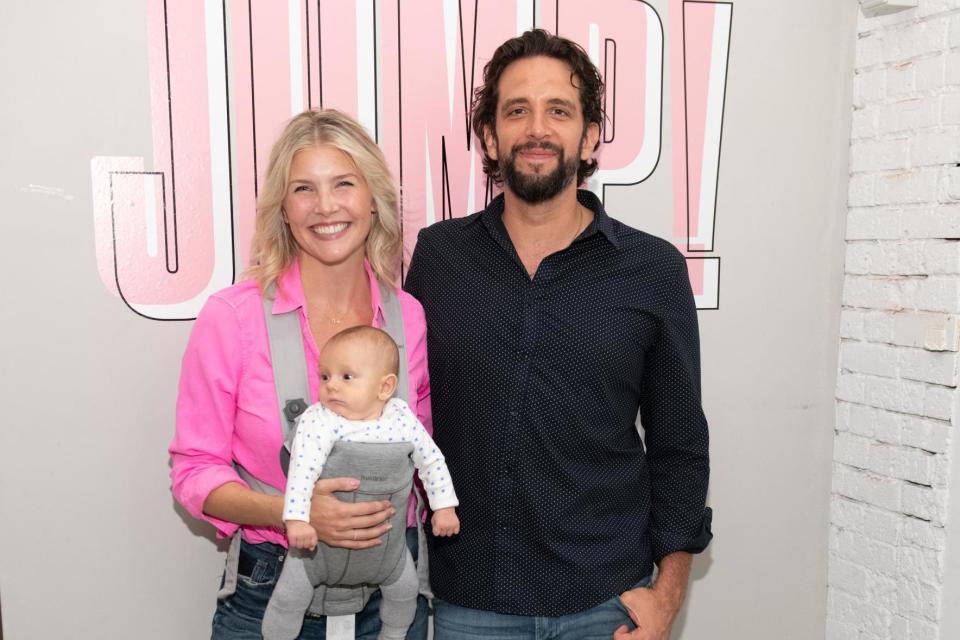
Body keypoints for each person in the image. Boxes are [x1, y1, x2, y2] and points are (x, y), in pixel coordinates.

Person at [404, 29, 712, 640]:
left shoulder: (653, 268)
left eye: (559, 111)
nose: (536, 129)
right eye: (516, 110)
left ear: (590, 134)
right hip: (472, 603)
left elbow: (680, 443)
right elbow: (403, 412)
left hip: (609, 603)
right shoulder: (441, 256)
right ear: (490, 136)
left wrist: (668, 593)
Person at [170, 108, 431, 639]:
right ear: (283, 210)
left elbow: (421, 452)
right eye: (304, 189)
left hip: (391, 595)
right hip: (270, 590)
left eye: (343, 184)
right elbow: (194, 470)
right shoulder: (233, 317)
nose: (326, 206)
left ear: (374, 198)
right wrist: (287, 509)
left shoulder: (410, 316)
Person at [263, 326, 459, 640]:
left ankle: (393, 634)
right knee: (290, 594)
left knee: (406, 589)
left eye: (346, 377)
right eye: (325, 377)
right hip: (317, 554)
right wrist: (297, 519)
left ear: (385, 387)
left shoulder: (401, 419)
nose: (331, 387)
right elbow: (302, 472)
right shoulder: (319, 420)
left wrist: (444, 508)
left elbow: (432, 461)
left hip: (387, 554)